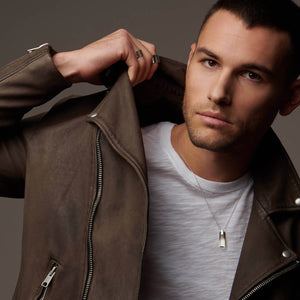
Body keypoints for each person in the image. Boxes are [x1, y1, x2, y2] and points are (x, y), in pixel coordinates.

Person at [1, 0, 300, 299]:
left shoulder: (290, 230)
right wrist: (63, 67)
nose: (219, 92)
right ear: (191, 58)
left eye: (252, 75)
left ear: (290, 97)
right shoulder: (86, 146)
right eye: (210, 62)